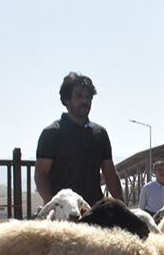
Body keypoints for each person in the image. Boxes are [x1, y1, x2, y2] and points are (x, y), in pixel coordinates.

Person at [35, 72, 124, 207]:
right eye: (79, 96)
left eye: (88, 97)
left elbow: (110, 174)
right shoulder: (52, 133)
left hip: (94, 212)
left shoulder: (99, 134)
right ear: (67, 99)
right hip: (65, 214)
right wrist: (54, 206)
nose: (85, 101)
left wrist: (122, 207)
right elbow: (41, 175)